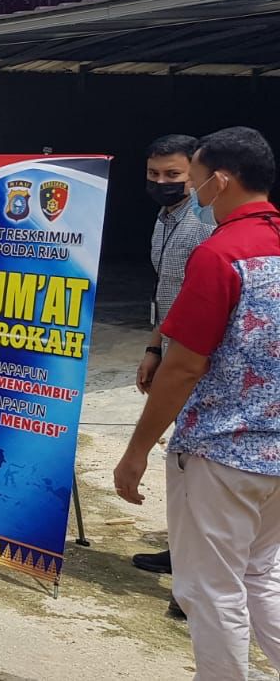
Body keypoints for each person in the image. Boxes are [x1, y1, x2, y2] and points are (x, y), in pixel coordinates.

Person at [115, 127, 280, 681]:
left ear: (220, 181)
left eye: (196, 175)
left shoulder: (219, 254)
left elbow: (184, 366)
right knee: (261, 574)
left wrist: (137, 450)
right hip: (275, 452)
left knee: (209, 589)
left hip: (223, 452)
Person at [132, 134, 217, 594]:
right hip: (168, 345)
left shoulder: (205, 224)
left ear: (195, 175)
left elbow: (199, 302)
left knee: (198, 460)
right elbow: (165, 293)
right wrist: (152, 348)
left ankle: (198, 573)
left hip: (197, 358)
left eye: (173, 175)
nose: (162, 182)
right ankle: (181, 548)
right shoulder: (163, 220)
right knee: (181, 456)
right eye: (153, 174)